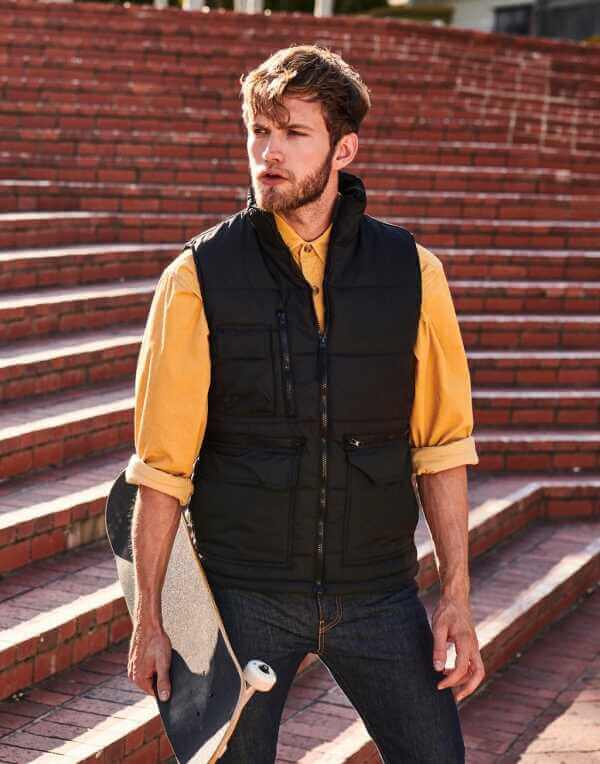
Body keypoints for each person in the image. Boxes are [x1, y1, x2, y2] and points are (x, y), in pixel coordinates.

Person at [125, 44, 485, 763]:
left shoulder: (412, 273)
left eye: (293, 133)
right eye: (260, 131)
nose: (269, 152)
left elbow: (442, 448)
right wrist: (150, 618)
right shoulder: (197, 277)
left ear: (343, 149)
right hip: (243, 596)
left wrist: (456, 596)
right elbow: (162, 467)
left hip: (377, 591)